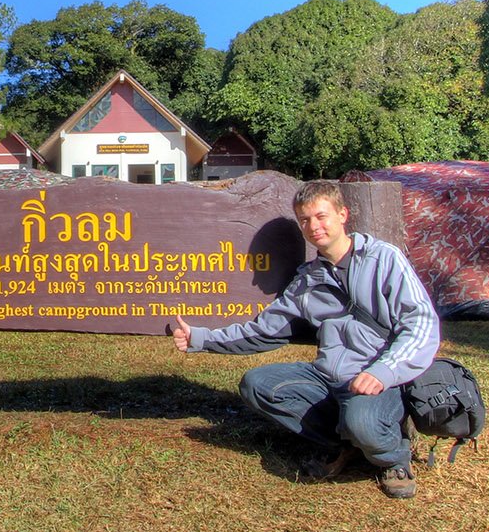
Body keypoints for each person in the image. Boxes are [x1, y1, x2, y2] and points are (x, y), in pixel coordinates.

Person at [171, 180, 439, 499]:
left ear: (342, 214)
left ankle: (394, 456)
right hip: (328, 377)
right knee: (257, 384)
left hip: (379, 378)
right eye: (305, 220)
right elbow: (263, 329)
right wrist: (201, 339)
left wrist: (383, 372)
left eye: (321, 216)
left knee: (363, 420)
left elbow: (421, 322)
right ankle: (342, 442)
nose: (314, 226)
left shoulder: (384, 259)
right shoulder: (307, 279)